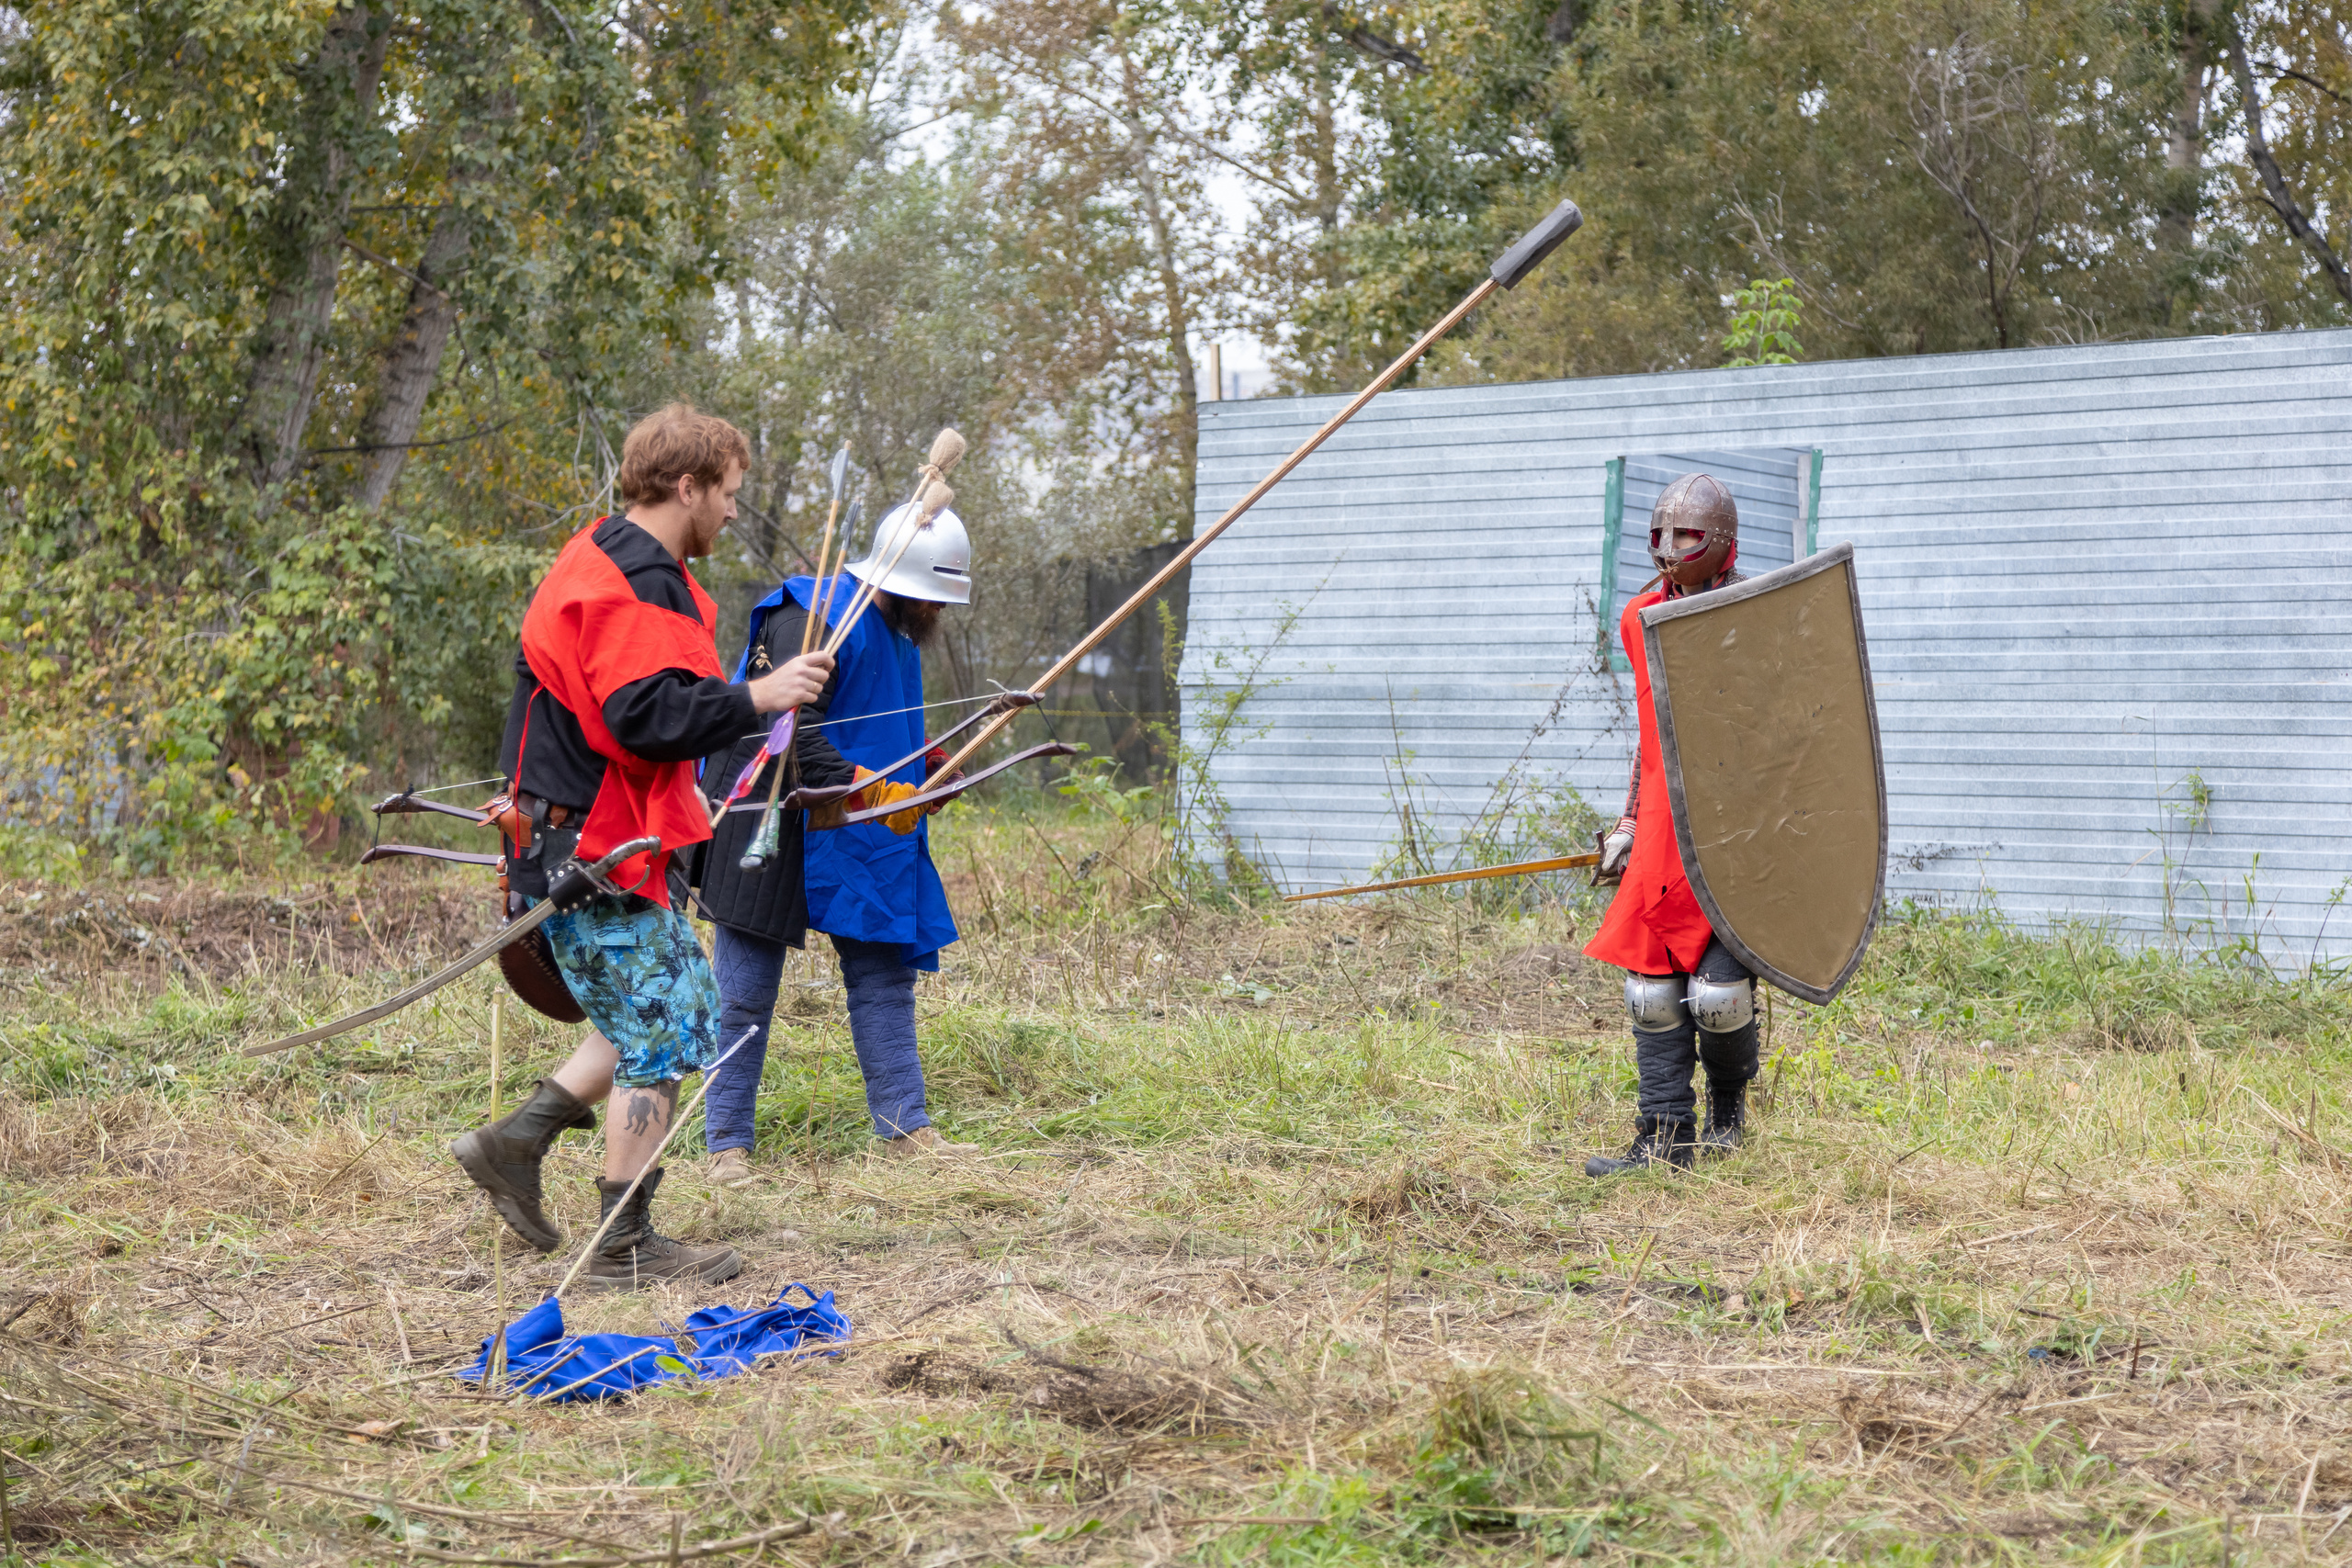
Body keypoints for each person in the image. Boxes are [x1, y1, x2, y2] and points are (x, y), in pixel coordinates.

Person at [449, 404, 834, 1290]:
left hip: (584, 837)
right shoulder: (637, 579)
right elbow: (641, 714)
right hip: (592, 850)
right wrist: (759, 696)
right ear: (686, 485)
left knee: (680, 1004)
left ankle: (516, 1142)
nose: (734, 512)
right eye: (729, 494)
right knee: (664, 1025)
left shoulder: (607, 558)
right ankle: (622, 1240)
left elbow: (616, 713)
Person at [691, 498, 972, 1182]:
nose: (934, 612)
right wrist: (876, 791)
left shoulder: (898, 630)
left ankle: (906, 1126)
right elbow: (785, 729)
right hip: (767, 814)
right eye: (926, 597)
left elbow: (875, 724)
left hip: (852, 832)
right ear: (894, 576)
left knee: (883, 974)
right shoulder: (809, 615)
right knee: (746, 990)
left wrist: (922, 766)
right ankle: (726, 1143)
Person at [1581, 472, 1765, 1177]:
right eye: (1660, 533)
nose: (1668, 547)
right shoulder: (1640, 617)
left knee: (1718, 997)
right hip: (1664, 821)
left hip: (1739, 826)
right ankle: (1664, 1139)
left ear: (1720, 541)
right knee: (1652, 991)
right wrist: (1630, 819)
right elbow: (1650, 736)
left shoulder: (1760, 614)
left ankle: (1726, 1115)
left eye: (1686, 534)